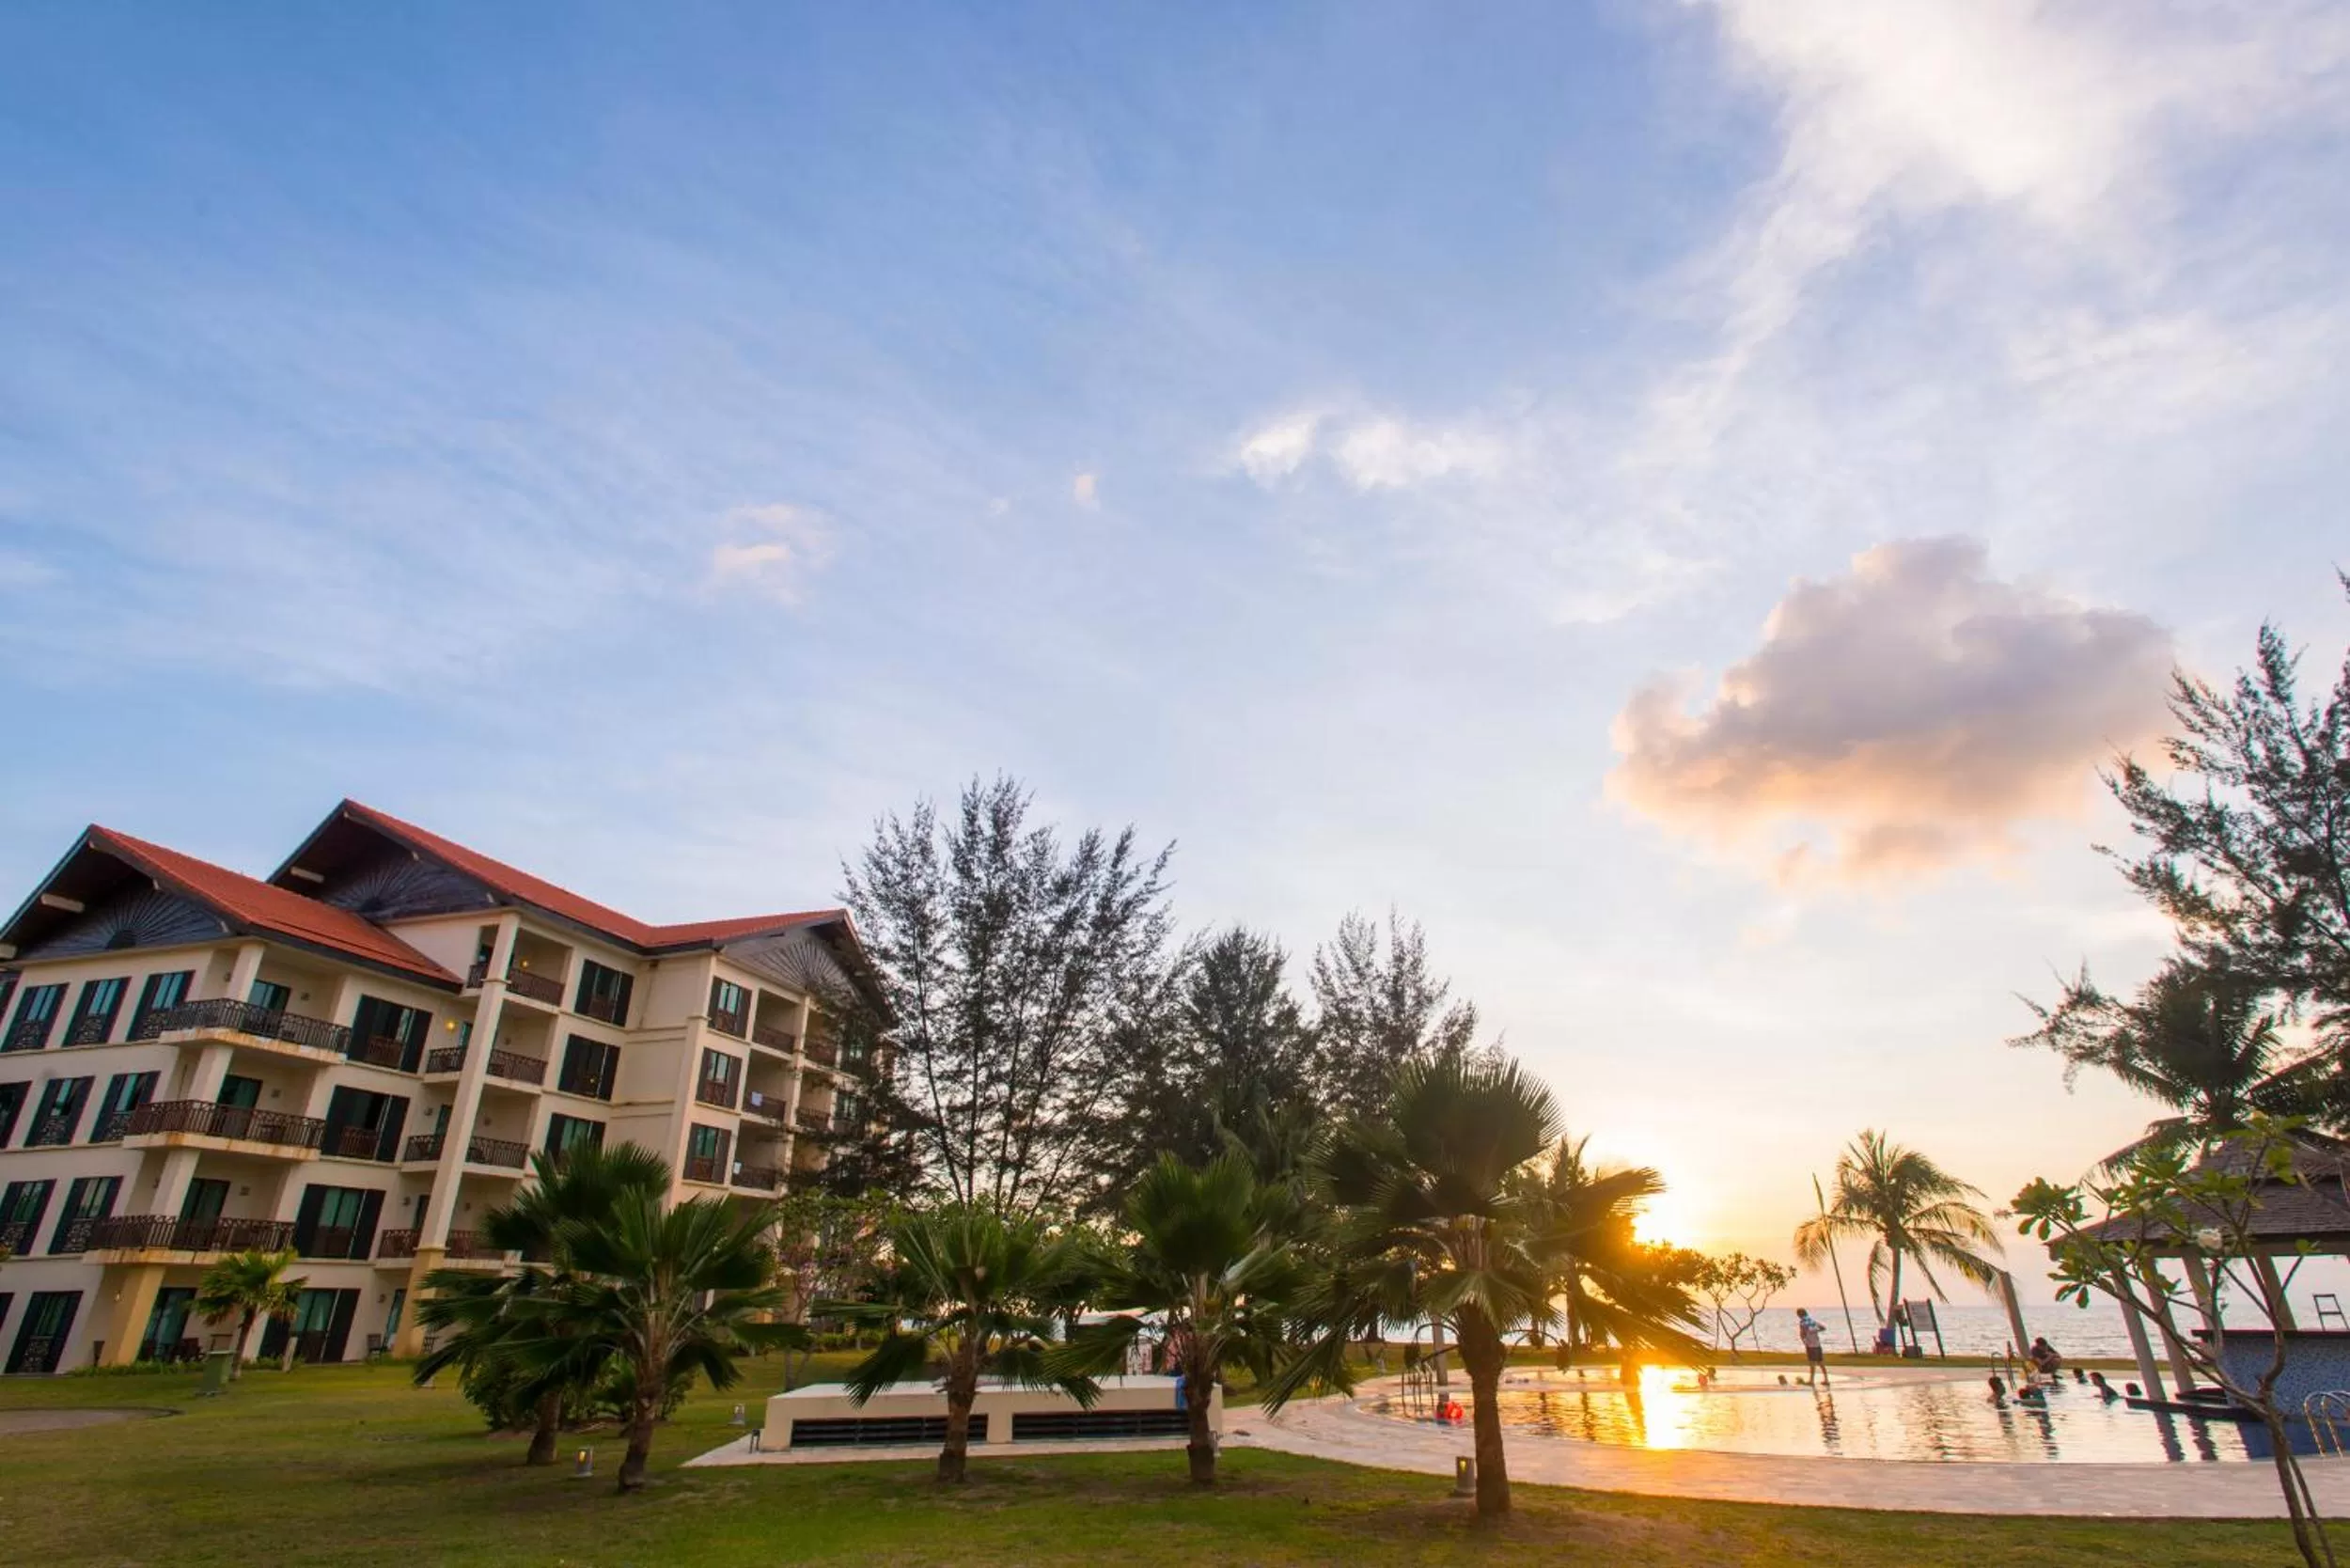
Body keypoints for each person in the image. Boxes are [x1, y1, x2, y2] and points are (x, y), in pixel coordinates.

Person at [1796, 1308, 1830, 1387]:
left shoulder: (1803, 1322)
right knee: (1821, 1363)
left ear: (1799, 1315)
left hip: (1810, 1345)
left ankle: (1811, 1381)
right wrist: (1815, 1330)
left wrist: (1804, 1341)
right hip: (1817, 1344)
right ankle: (1826, 1380)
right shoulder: (1812, 1321)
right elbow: (1823, 1327)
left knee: (1812, 1363)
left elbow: (1802, 1333)